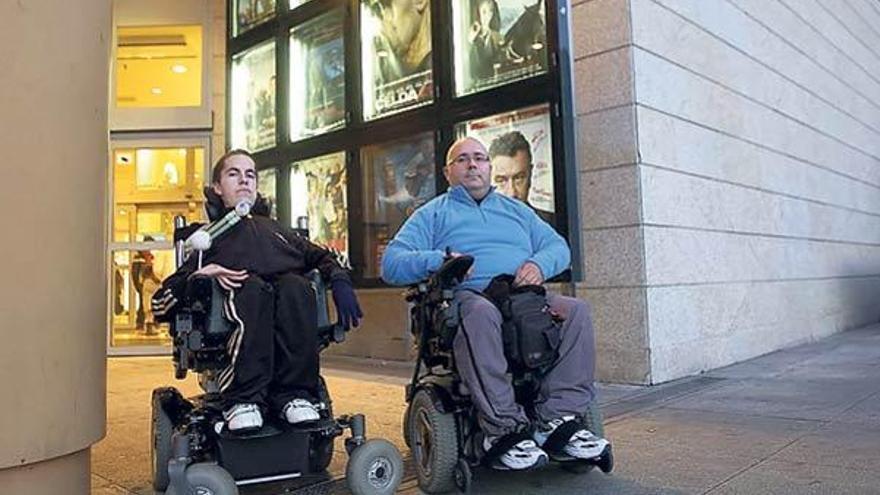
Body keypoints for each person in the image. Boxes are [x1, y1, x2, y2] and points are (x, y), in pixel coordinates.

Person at [381, 137, 608, 470]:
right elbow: (392, 264)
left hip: (521, 298)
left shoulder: (517, 210)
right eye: (462, 160)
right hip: (468, 298)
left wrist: (539, 265)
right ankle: (501, 430)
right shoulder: (431, 214)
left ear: (489, 167)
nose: (472, 164)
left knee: (575, 311)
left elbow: (558, 247)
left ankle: (555, 420)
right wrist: (440, 259)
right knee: (480, 312)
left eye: (479, 158)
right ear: (448, 172)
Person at [151, 149, 363, 432]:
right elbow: (160, 303)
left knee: (295, 286)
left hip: (288, 308)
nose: (244, 180)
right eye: (233, 173)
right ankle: (244, 398)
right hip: (240, 311)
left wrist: (340, 281)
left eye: (250, 175)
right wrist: (201, 275)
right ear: (217, 187)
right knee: (252, 287)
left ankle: (295, 395)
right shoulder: (208, 239)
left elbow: (323, 256)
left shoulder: (277, 231)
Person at [488, 130, 554, 224]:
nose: (511, 193)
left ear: (531, 173)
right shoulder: (476, 230)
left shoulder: (552, 224)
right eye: (501, 180)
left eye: (519, 178)